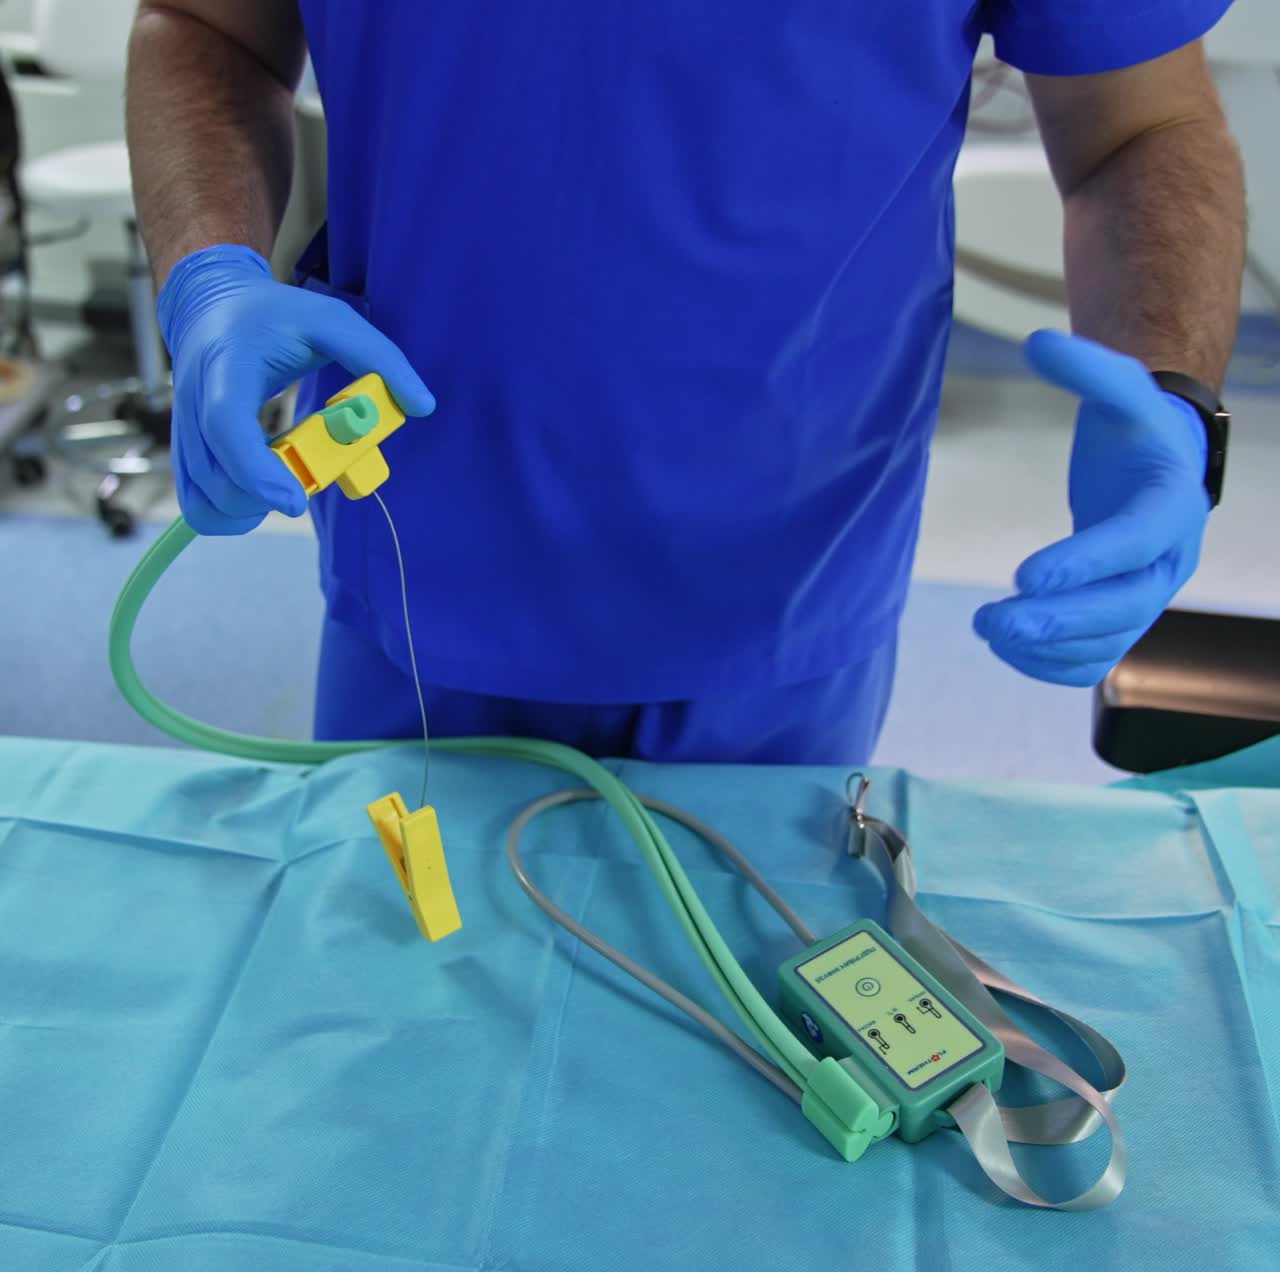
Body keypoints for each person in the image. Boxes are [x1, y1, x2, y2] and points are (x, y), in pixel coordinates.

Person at [125, 1, 1245, 766]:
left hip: (786, 564)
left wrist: (1171, 398)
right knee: (401, 1009)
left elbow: (1140, 124)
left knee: (744, 1041)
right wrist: (211, 274)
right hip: (424, 552)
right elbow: (205, 26)